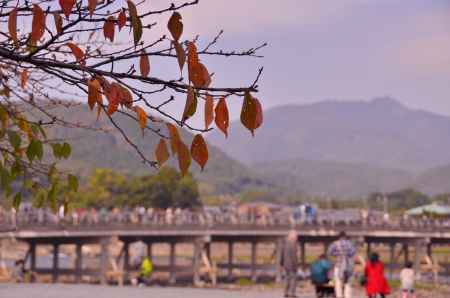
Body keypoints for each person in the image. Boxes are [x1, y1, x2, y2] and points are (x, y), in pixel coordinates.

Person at [327, 231, 356, 298]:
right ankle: (347, 296)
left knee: (338, 283)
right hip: (349, 266)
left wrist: (337, 255)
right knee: (348, 283)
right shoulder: (350, 244)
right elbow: (353, 253)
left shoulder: (335, 244)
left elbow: (329, 252)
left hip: (338, 265)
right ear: (345, 236)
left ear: (339, 237)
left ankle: (339, 296)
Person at [282, 229, 299, 298]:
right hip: (292, 265)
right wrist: (296, 266)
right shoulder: (293, 244)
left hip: (286, 264)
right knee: (293, 279)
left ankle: (286, 293)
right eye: (296, 236)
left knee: (287, 279)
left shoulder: (285, 243)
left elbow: (282, 254)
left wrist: (282, 264)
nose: (297, 238)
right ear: (292, 236)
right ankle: (292, 294)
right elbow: (294, 257)